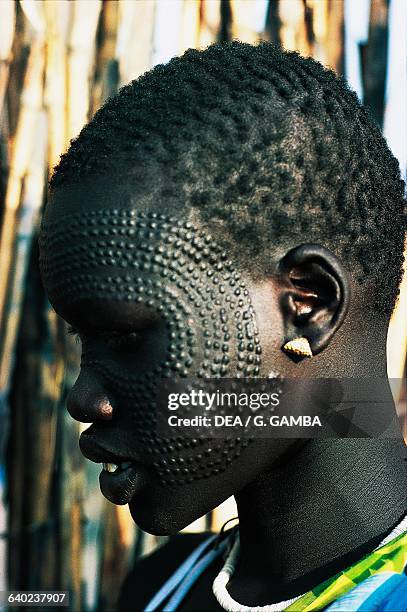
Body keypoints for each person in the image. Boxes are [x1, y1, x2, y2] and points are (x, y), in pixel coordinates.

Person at [39, 41, 406, 611]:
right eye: (86, 340)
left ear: (307, 306)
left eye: (129, 339)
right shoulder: (160, 588)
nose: (83, 399)